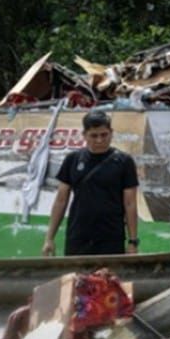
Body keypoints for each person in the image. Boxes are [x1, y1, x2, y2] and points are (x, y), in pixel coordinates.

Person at [43, 109, 140, 256]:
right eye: (93, 136)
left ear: (111, 133)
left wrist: (133, 242)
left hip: (111, 236)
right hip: (78, 235)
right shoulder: (73, 160)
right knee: (76, 278)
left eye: (104, 135)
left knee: (107, 278)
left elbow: (130, 203)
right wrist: (49, 238)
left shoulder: (124, 162)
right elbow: (61, 201)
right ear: (84, 135)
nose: (99, 140)